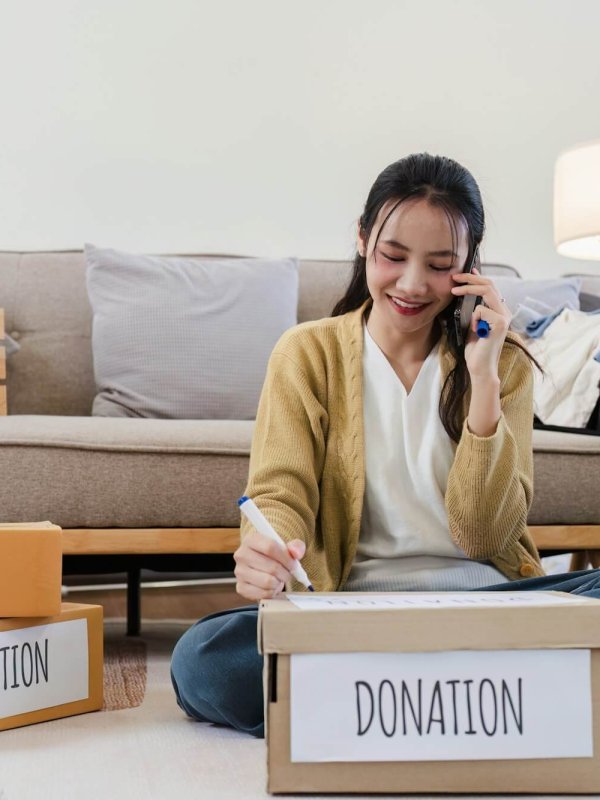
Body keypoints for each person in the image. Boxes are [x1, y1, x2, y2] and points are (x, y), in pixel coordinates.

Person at [170, 152, 600, 738]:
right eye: (393, 257)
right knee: (203, 660)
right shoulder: (307, 353)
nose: (413, 284)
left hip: (490, 606)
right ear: (362, 238)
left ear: (470, 267)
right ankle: (491, 698)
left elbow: (485, 537)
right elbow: (279, 491)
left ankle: (373, 702)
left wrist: (483, 381)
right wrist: (266, 552)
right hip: (350, 612)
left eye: (441, 264)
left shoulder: (502, 365)